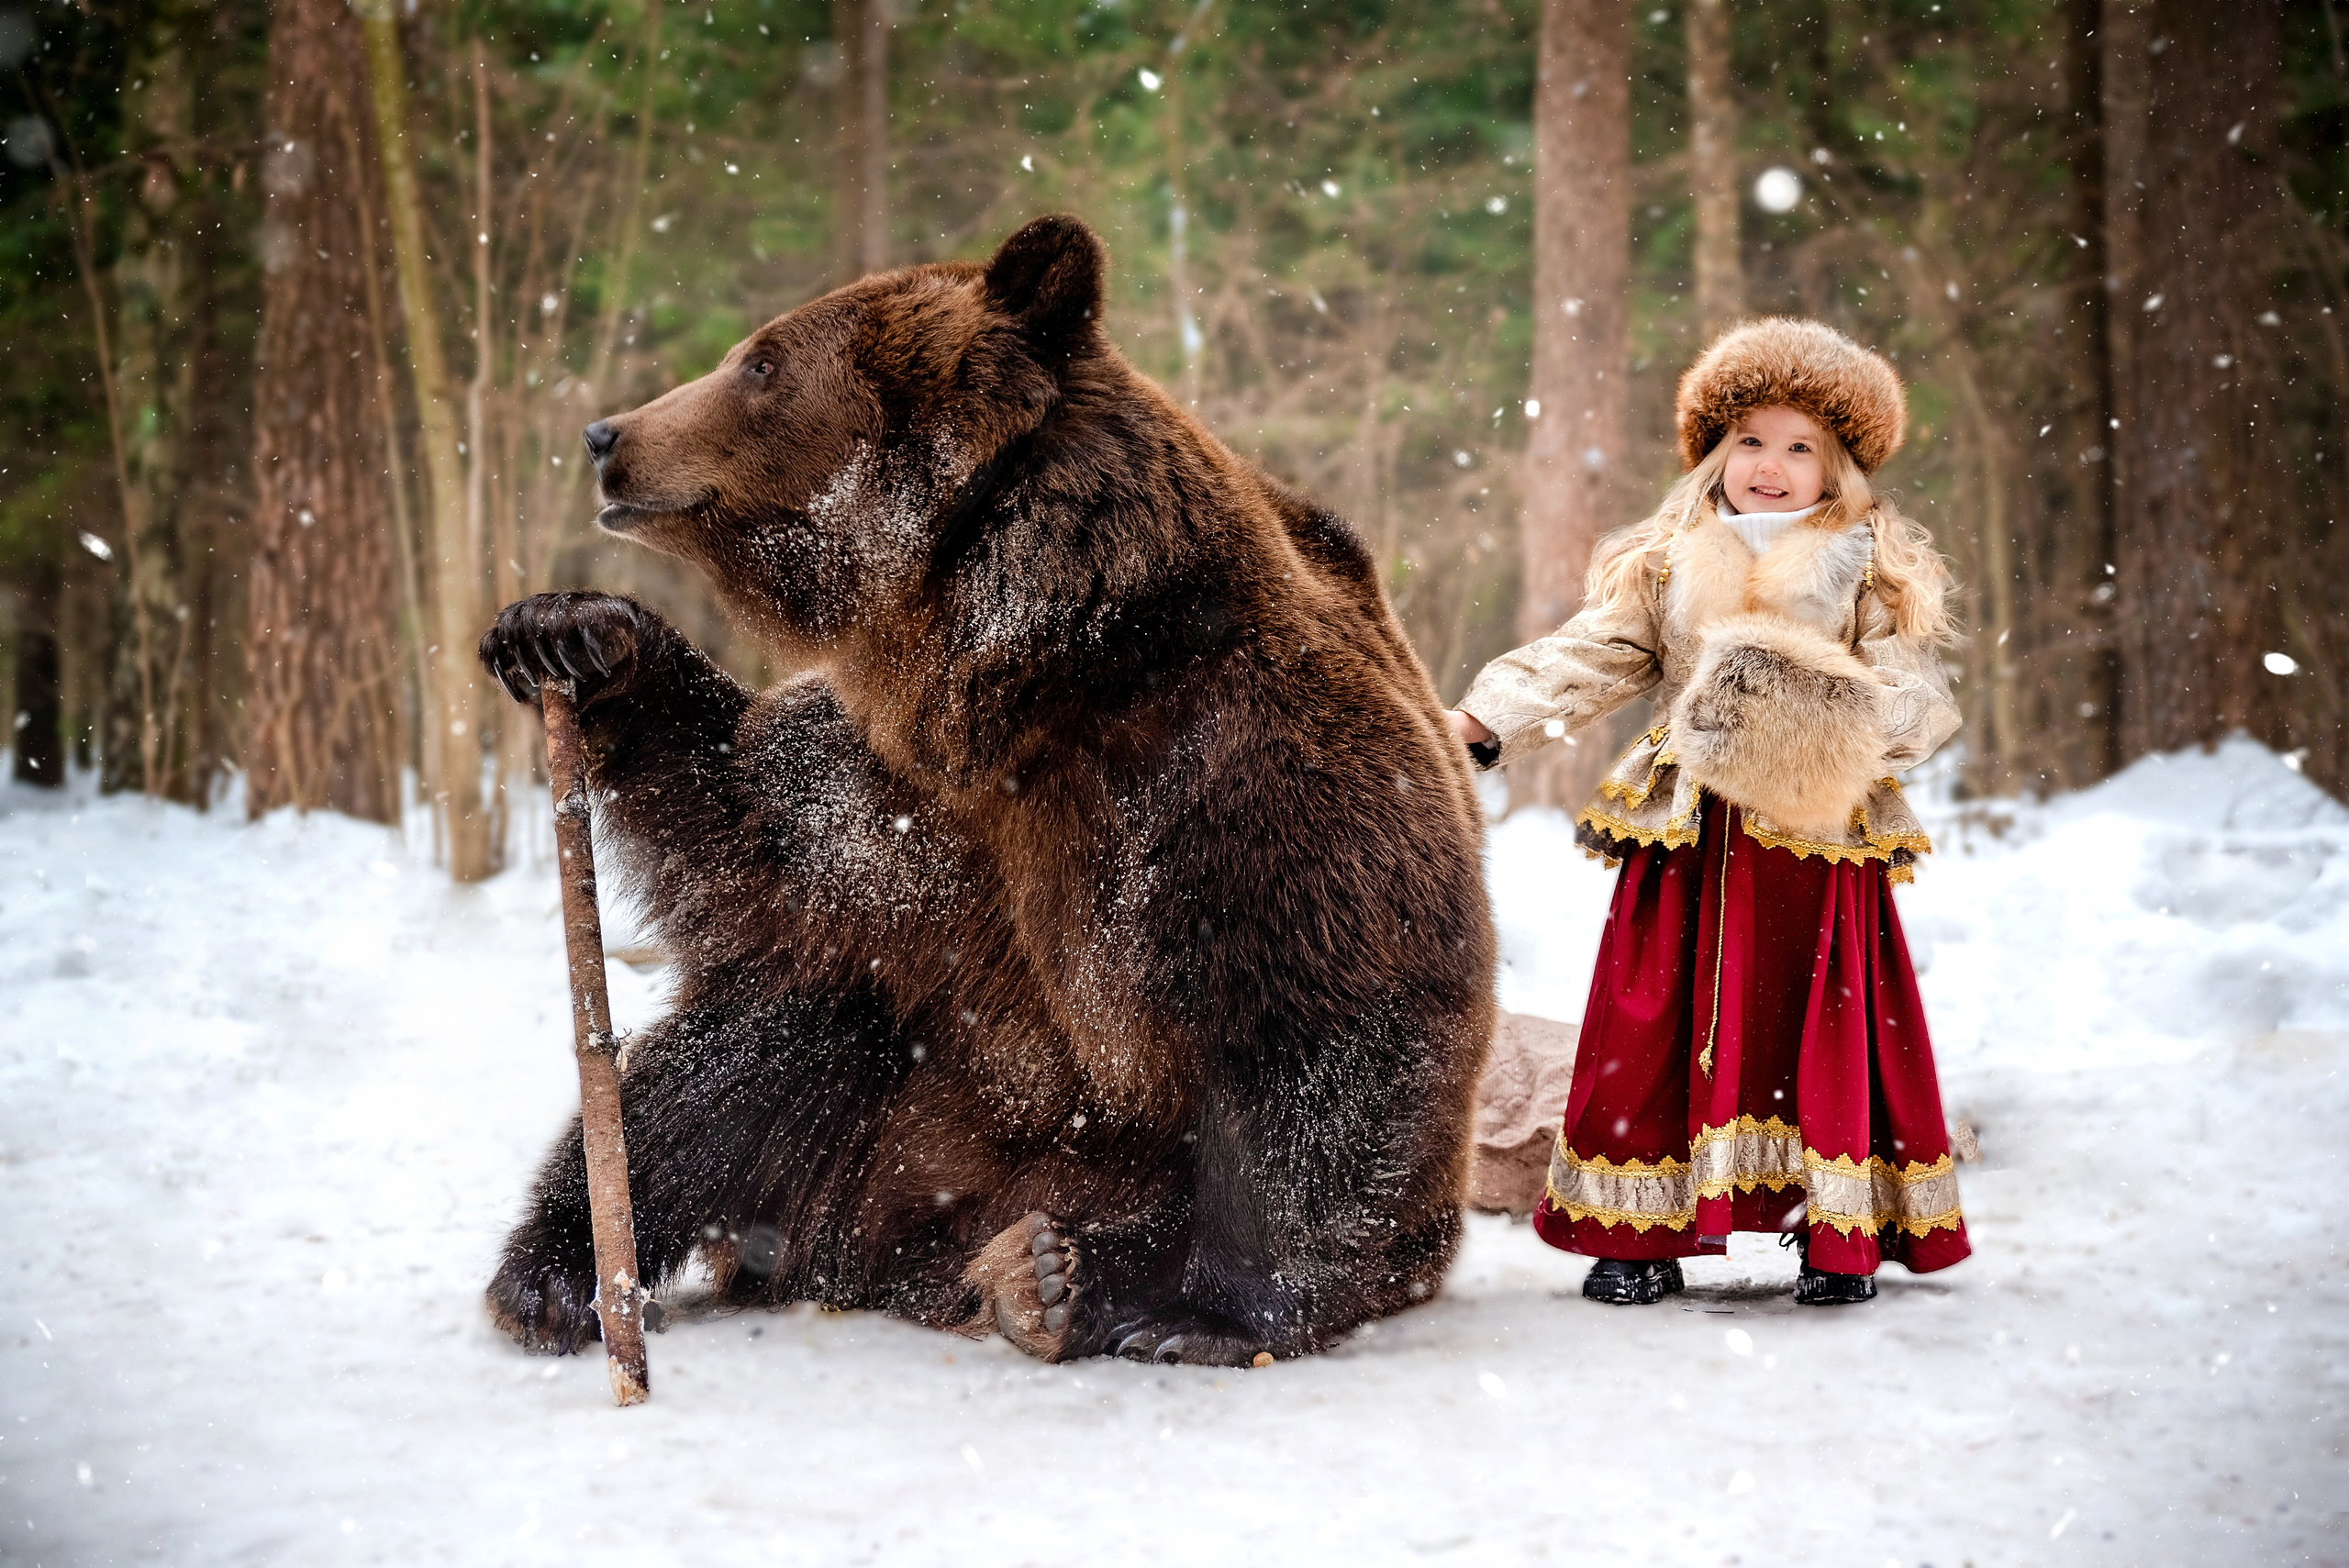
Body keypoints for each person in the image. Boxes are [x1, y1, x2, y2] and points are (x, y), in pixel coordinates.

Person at [1449, 319, 1969, 1306]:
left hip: (1812, 842)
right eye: (1749, 441)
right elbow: (1591, 652)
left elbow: (1916, 699)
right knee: (1652, 1020)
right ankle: (1639, 1231)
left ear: (1838, 466)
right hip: (1689, 834)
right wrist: (1486, 715)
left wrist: (1833, 716)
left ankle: (1833, 1231)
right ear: (1715, 453)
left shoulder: (1861, 567)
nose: (1769, 467)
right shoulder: (1671, 561)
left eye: (1799, 445)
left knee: (1812, 1026)